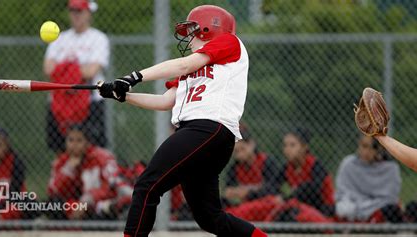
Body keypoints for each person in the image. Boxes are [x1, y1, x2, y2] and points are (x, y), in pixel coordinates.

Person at [98, 5, 267, 237]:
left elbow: (184, 64)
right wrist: (122, 94)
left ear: (209, 29)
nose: (188, 37)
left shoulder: (229, 42)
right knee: (210, 218)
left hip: (207, 128)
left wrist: (132, 77)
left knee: (147, 186)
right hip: (207, 137)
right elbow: (165, 101)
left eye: (193, 30)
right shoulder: (193, 70)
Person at [43, 0, 109, 153]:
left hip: (91, 102)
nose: (76, 15)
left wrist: (63, 67)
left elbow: (91, 71)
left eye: (80, 11)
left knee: (93, 150)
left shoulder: (98, 38)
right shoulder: (59, 38)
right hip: (59, 102)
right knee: (60, 149)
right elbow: (48, 69)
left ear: (89, 13)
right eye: (73, 11)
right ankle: (64, 177)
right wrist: (78, 69)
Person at [47, 124, 133, 220]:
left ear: (87, 143)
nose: (74, 145)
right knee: (52, 205)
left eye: (79, 140)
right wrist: (69, 169)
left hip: (98, 203)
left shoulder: (101, 157)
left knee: (105, 209)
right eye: (70, 140)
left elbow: (111, 185)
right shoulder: (62, 161)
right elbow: (53, 190)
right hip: (74, 204)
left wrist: (88, 199)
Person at [262, 128, 335, 223]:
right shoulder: (288, 167)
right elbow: (272, 185)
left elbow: (313, 191)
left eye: (292, 145)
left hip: (323, 210)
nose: (287, 149)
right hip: (300, 209)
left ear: (304, 147)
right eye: (285, 145)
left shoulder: (315, 165)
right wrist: (279, 195)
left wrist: (286, 197)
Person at [335, 136, 402, 223]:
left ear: (380, 149)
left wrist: (370, 205)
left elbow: (390, 198)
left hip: (377, 206)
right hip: (354, 205)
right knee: (343, 208)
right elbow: (342, 193)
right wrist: (360, 203)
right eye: (364, 146)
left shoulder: (390, 168)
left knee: (391, 209)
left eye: (372, 148)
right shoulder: (349, 164)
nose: (366, 152)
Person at [223, 125, 280, 221]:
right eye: (236, 151)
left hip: (264, 204)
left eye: (243, 149)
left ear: (251, 145)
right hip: (246, 205)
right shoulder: (234, 167)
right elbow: (228, 190)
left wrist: (248, 192)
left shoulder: (266, 161)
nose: (240, 154)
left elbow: (274, 189)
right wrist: (234, 192)